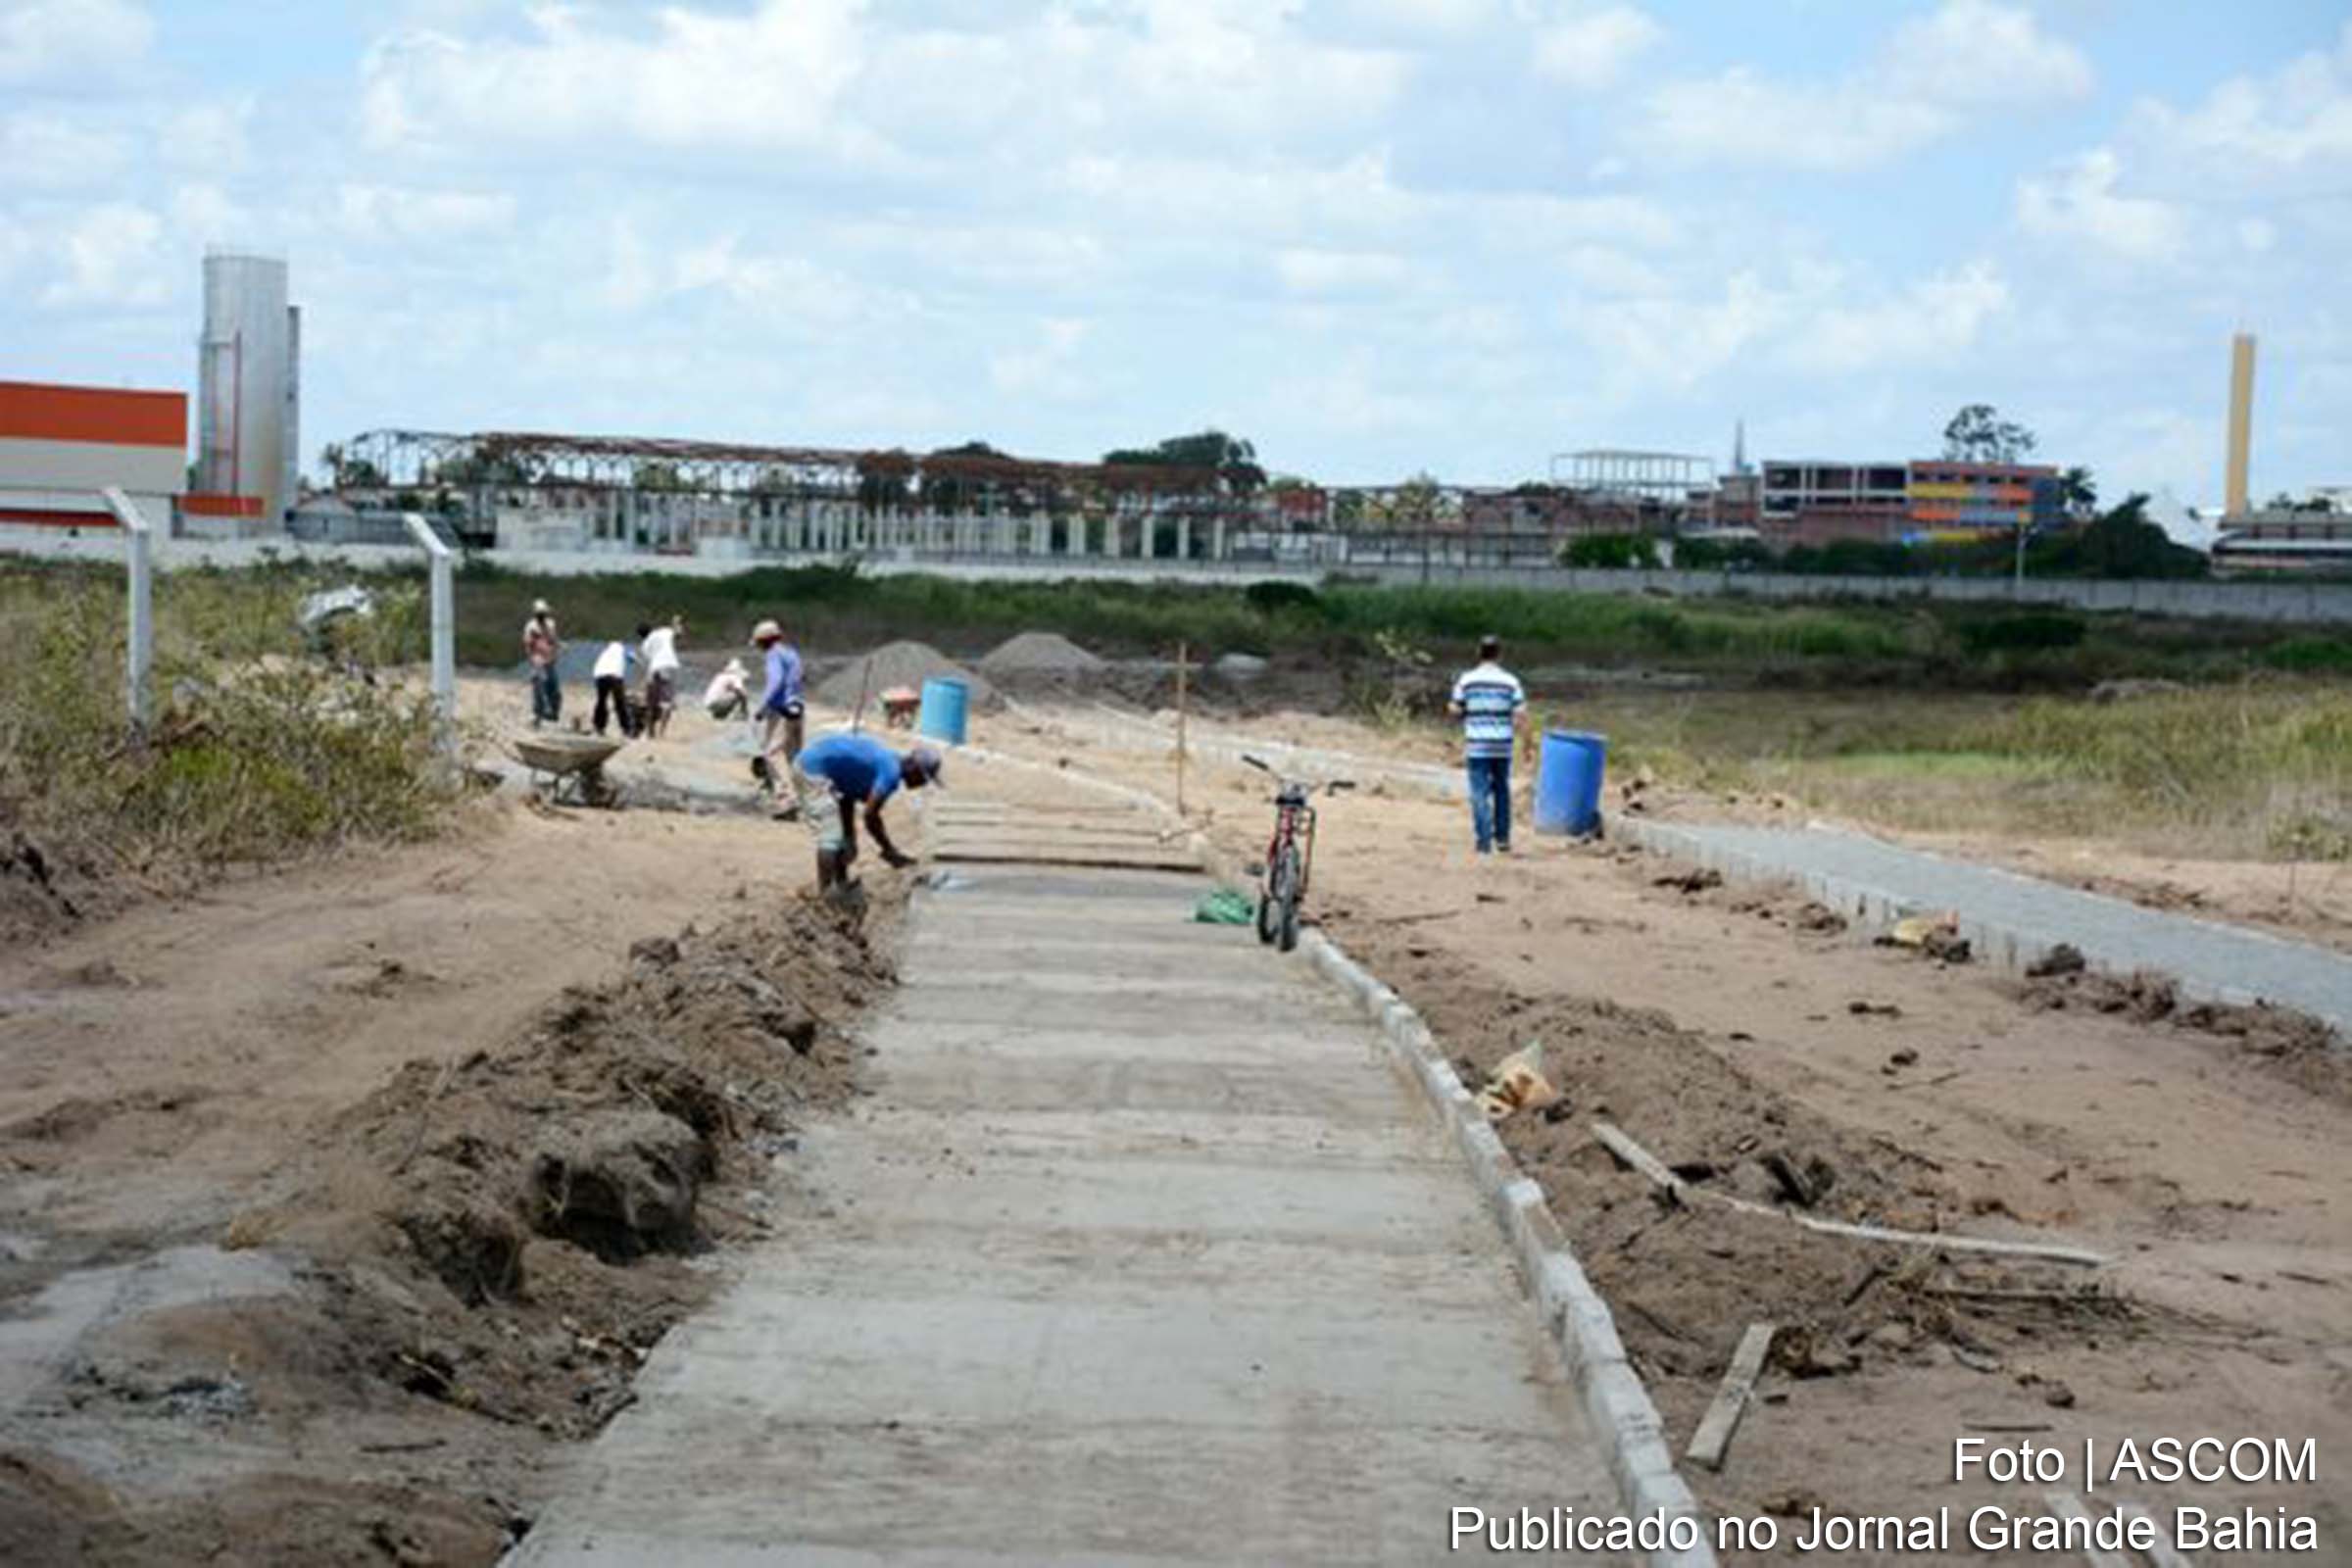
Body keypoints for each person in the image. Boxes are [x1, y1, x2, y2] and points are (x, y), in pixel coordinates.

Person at [793, 733, 940, 891]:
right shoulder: (891, 773)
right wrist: (889, 850)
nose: (922, 784)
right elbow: (870, 816)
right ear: (913, 768)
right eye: (923, 778)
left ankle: (841, 883)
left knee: (845, 840)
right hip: (812, 770)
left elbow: (847, 798)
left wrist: (849, 837)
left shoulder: (890, 760)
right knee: (831, 837)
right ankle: (825, 897)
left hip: (819, 764)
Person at [1448, 633, 1526, 855]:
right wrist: (1528, 744)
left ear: (1478, 653)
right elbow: (1520, 714)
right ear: (1499, 654)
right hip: (1503, 744)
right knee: (1502, 789)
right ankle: (1502, 838)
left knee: (1479, 793)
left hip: (1477, 745)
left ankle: (1483, 841)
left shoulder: (1466, 680)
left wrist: (1463, 712)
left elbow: (1455, 709)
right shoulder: (1511, 681)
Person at [751, 618, 805, 813]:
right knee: (794, 756)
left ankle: (787, 799)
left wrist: (762, 707)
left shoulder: (773, 655)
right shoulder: (792, 654)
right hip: (797, 707)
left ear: (764, 641)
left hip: (781, 709)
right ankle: (803, 796)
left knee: (773, 753)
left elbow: (775, 682)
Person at [640, 614, 682, 739]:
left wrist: (645, 681)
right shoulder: (663, 631)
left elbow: (649, 662)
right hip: (670, 665)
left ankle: (650, 732)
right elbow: (678, 633)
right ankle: (661, 732)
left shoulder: (644, 645)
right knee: (667, 703)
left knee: (651, 702)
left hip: (655, 668)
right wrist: (676, 622)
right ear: (651, 629)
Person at [522, 600, 561, 728]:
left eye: (543, 613)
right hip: (538, 659)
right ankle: (538, 716)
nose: (542, 616)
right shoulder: (531, 626)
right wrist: (532, 659)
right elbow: (528, 645)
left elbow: (554, 640)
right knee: (539, 688)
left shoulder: (550, 624)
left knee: (554, 688)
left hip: (549, 659)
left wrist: (555, 653)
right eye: (540, 613)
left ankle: (553, 713)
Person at [592, 634, 638, 738]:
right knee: (620, 703)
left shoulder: (605, 651)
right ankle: (626, 729)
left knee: (601, 701)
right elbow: (632, 659)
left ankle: (599, 726)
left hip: (600, 675)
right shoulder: (622, 649)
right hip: (614, 676)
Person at [704, 657, 751, 721]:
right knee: (740, 694)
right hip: (717, 702)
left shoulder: (719, 676)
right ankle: (729, 715)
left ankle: (718, 715)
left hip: (708, 703)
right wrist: (744, 709)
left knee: (729, 693)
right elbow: (741, 692)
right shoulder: (735, 677)